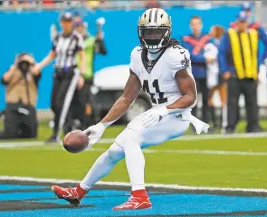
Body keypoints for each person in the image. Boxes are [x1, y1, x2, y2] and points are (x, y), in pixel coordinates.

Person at [51, 8, 209, 210]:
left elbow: (191, 97)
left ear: (167, 32)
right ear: (140, 33)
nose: (152, 37)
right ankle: (78, 192)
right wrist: (101, 125)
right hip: (155, 113)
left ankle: (140, 196)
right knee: (114, 151)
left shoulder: (175, 55)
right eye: (148, 32)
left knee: (132, 137)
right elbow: (127, 97)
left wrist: (164, 109)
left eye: (156, 32)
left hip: (176, 116)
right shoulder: (137, 55)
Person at [34, 12, 86, 143]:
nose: (66, 24)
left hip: (70, 73)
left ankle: (56, 135)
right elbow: (52, 55)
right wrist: (39, 66)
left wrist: (81, 74)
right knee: (54, 103)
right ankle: (70, 126)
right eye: (64, 21)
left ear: (71, 23)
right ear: (61, 23)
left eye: (69, 21)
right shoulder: (57, 38)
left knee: (61, 102)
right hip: (58, 73)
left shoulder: (76, 38)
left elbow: (82, 56)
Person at [219, 11, 267, 133]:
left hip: (250, 75)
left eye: (244, 22)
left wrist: (258, 64)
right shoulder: (229, 34)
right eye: (240, 22)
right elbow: (221, 53)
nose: (242, 24)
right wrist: (224, 70)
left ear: (247, 22)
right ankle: (230, 126)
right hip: (234, 75)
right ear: (237, 23)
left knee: (252, 102)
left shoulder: (253, 34)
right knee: (233, 103)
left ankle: (253, 126)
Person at [0, 53, 41, 139]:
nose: (24, 63)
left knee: (31, 135)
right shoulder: (12, 70)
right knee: (9, 135)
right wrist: (15, 64)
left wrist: (32, 62)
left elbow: (37, 72)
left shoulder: (32, 71)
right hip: (13, 105)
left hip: (28, 106)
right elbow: (4, 80)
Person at [73, 19, 107, 128]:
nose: (80, 29)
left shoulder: (91, 40)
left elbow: (103, 51)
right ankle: (74, 123)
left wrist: (100, 40)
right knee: (74, 102)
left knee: (85, 102)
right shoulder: (72, 41)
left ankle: (85, 124)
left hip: (86, 75)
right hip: (72, 76)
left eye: (81, 27)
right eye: (77, 27)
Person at [182, 16, 213, 124]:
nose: (195, 26)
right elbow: (189, 55)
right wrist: (205, 59)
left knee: (206, 100)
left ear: (201, 25)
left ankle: (206, 123)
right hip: (192, 75)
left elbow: (213, 51)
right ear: (190, 26)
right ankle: (194, 124)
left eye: (197, 24)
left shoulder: (207, 38)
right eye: (193, 24)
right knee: (193, 102)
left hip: (206, 74)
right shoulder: (186, 40)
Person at [206, 25, 227, 130]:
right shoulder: (210, 43)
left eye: (212, 30)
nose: (210, 32)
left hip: (220, 73)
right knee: (209, 98)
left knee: (223, 99)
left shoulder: (222, 43)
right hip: (212, 74)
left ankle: (224, 122)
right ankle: (215, 122)